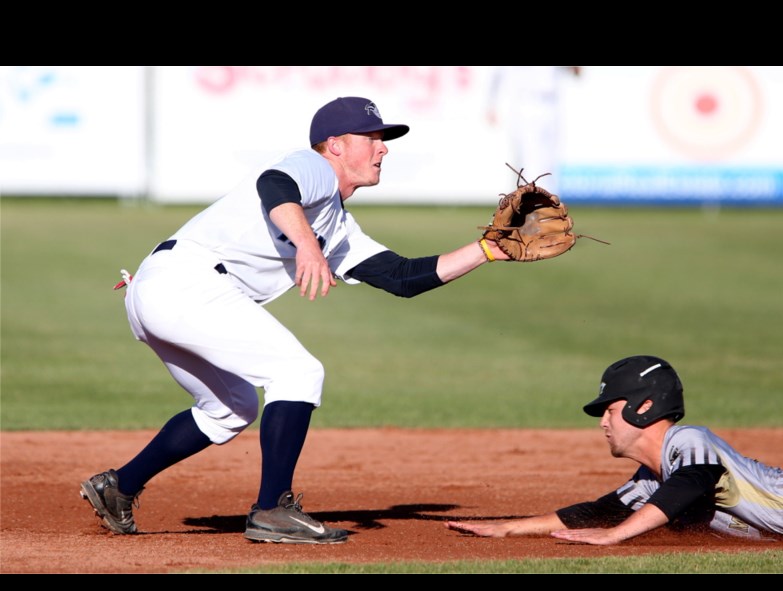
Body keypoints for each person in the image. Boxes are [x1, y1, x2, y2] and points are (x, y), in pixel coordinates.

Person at [81, 96, 513, 545]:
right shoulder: (313, 167)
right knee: (297, 372)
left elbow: (403, 277)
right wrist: (306, 245)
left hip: (165, 291)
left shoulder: (338, 226)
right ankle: (272, 510)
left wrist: (487, 249)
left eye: (383, 139)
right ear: (335, 146)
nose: (383, 148)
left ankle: (118, 487)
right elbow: (275, 184)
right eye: (372, 138)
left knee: (231, 408)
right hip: (186, 284)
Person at [445, 355, 783, 544]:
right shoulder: (654, 478)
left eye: (610, 407)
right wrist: (512, 526)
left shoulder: (689, 444)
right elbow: (595, 511)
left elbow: (692, 487)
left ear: (645, 407)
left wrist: (618, 538)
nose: (603, 419)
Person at [486, 66, 580, 195]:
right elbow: (495, 74)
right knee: (528, 161)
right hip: (524, 103)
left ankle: (546, 206)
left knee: (548, 162)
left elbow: (576, 72)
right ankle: (528, 206)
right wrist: (490, 104)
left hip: (551, 104)